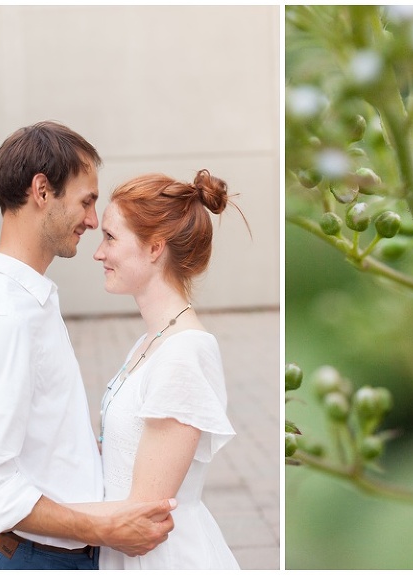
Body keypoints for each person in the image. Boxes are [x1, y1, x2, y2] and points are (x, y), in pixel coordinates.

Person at [0, 121, 176, 570]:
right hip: (41, 560)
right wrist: (105, 530)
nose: (93, 221)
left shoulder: (30, 300)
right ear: (41, 190)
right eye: (87, 201)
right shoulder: (7, 317)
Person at [73, 169, 242, 569]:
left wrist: (30, 513)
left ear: (154, 248)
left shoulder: (184, 352)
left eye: (111, 237)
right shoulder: (150, 342)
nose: (98, 253)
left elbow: (145, 512)